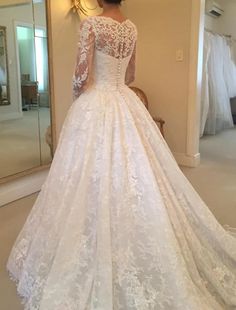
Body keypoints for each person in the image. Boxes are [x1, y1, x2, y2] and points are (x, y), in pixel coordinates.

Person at [7, 0, 236, 309]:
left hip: (96, 100)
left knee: (86, 173)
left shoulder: (91, 25)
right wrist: (113, 86)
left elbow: (79, 75)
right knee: (134, 171)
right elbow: (130, 75)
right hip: (124, 101)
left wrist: (82, 100)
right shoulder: (131, 28)